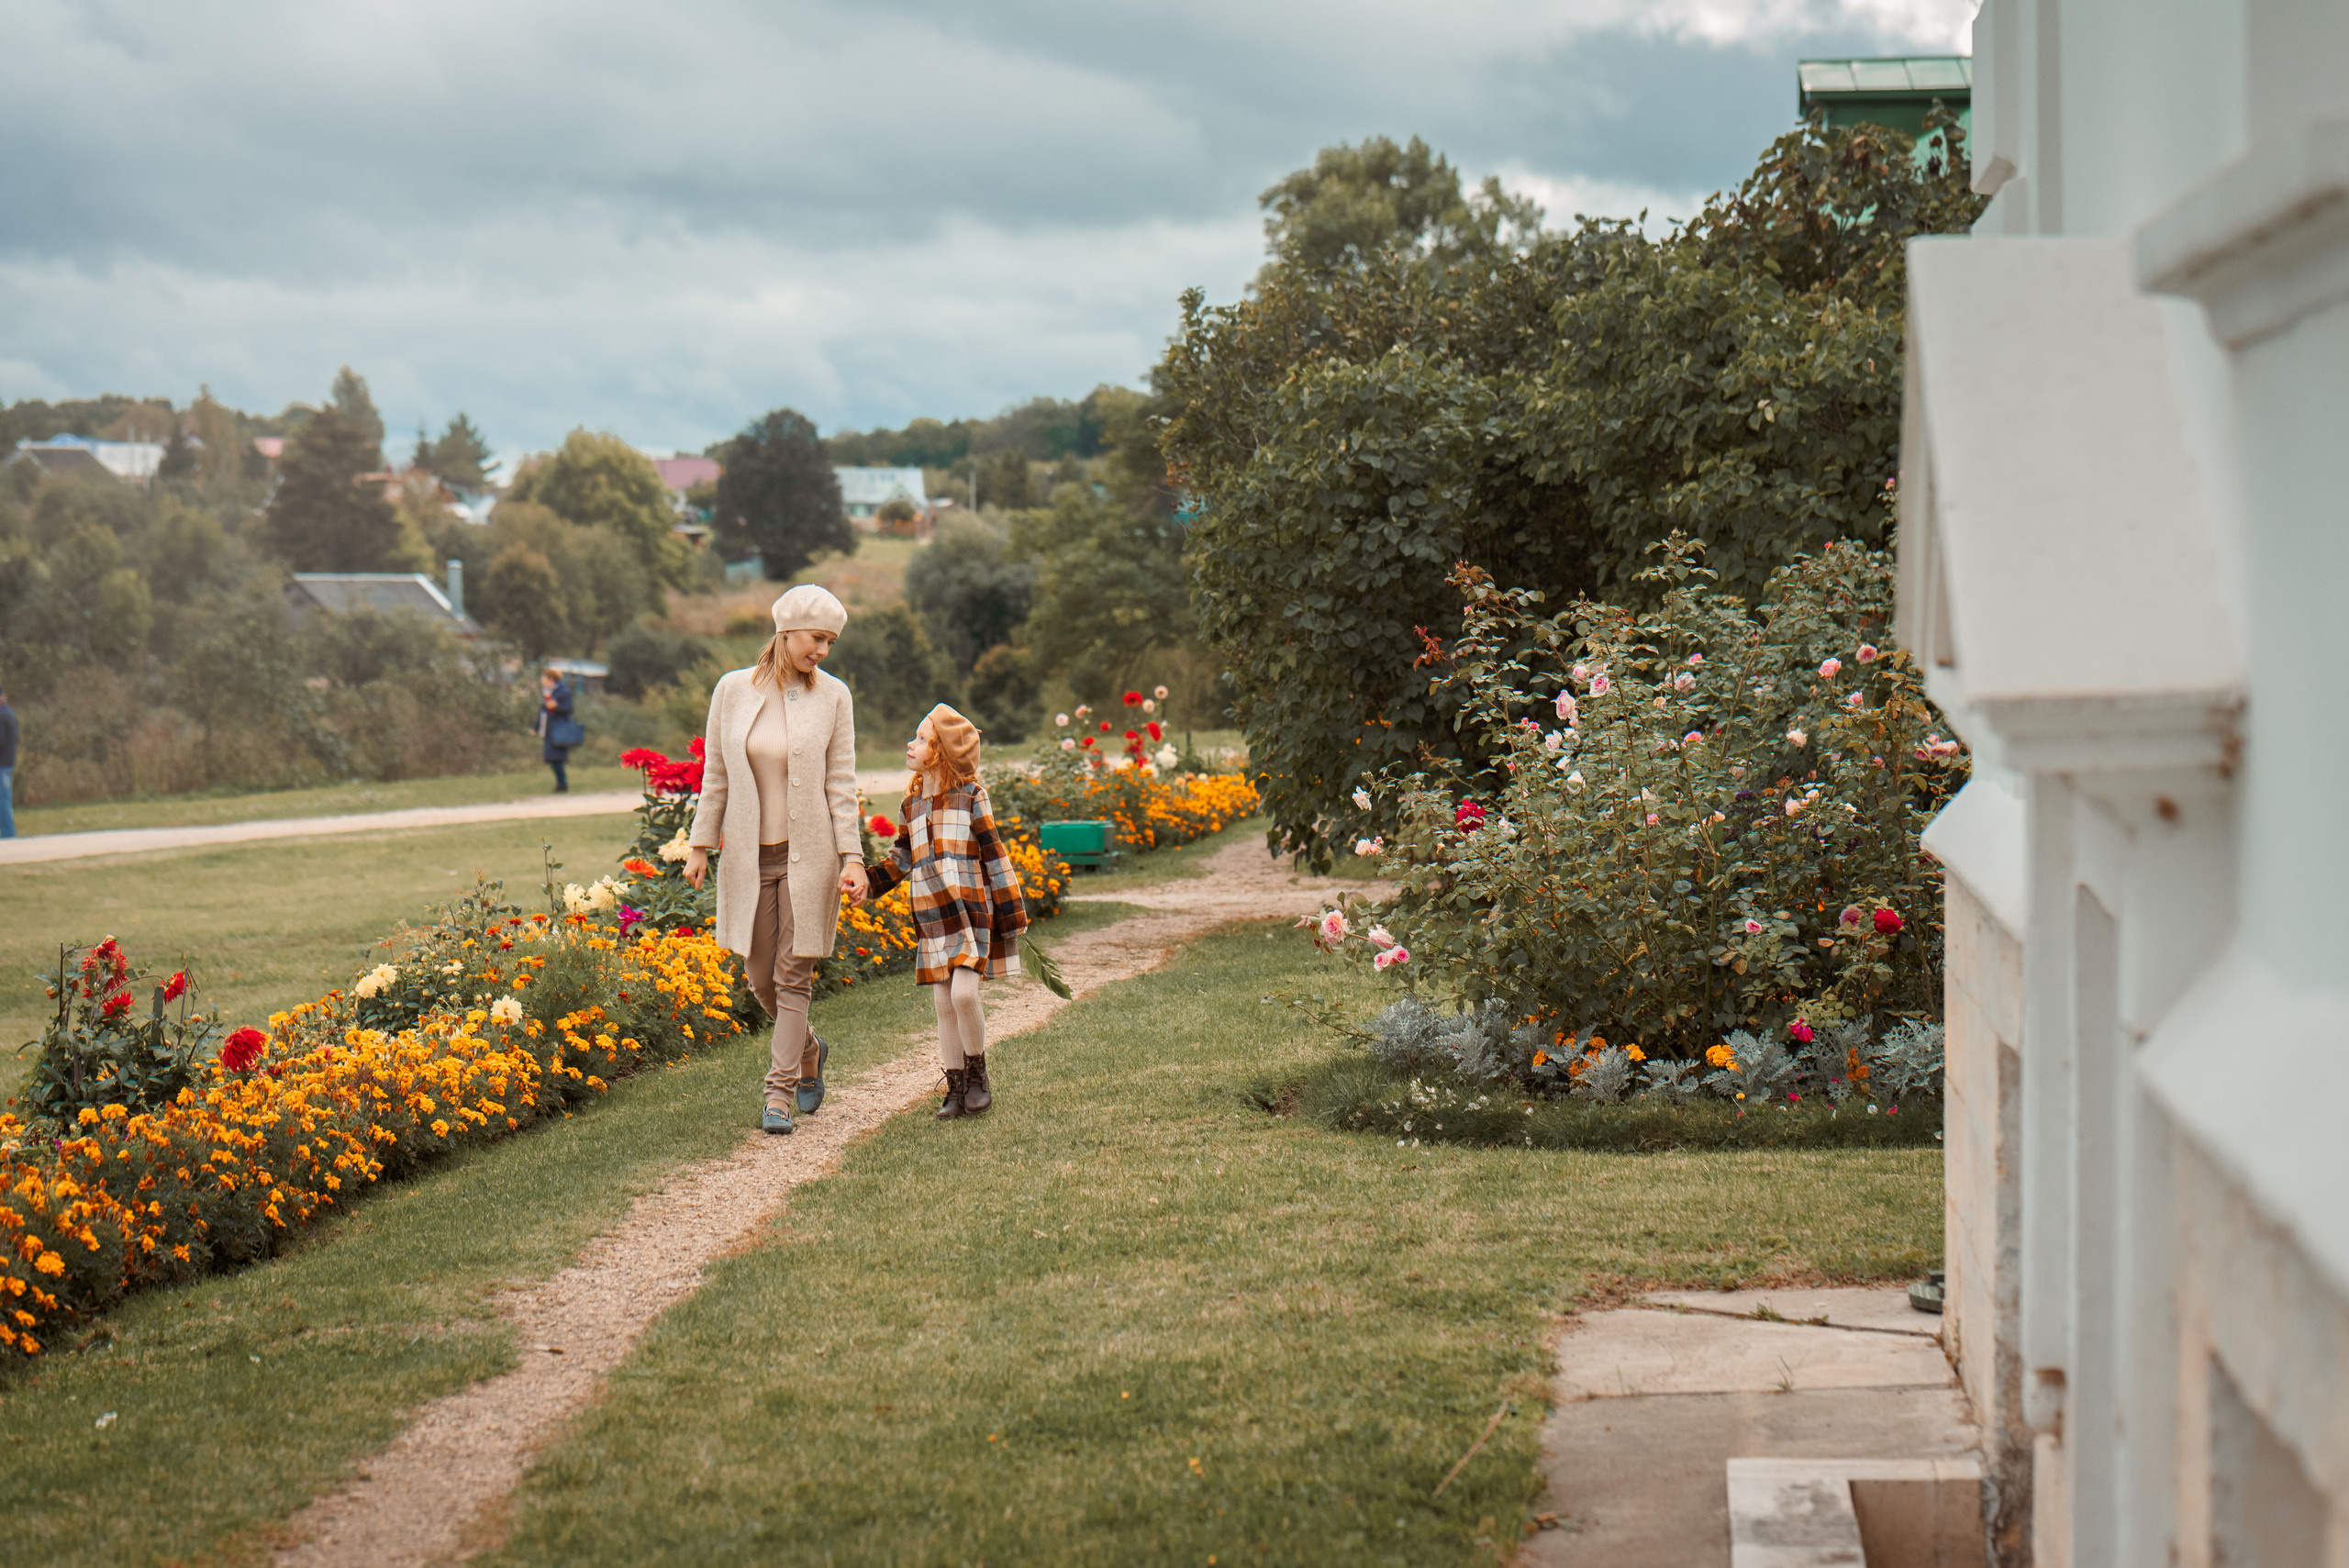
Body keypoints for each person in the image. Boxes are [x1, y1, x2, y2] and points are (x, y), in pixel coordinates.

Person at [684, 585, 866, 1134]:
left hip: (811, 859)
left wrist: (852, 858)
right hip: (748, 858)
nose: (824, 652)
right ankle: (809, 1049)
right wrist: (699, 844)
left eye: (831, 642)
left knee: (793, 976)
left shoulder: (834, 696)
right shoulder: (732, 690)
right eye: (817, 639)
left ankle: (779, 1093)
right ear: (786, 631)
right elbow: (715, 774)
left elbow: (840, 784)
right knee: (760, 978)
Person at [859, 704, 1028, 1119]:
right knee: (943, 1004)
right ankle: (954, 1089)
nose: (910, 744)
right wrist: (868, 881)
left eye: (920, 738)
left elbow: (994, 853)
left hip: (971, 912)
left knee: (964, 994)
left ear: (943, 750)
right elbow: (901, 857)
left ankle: (977, 1075)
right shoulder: (912, 802)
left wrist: (1010, 912)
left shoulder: (972, 796)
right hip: (931, 916)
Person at [537, 667, 574, 794]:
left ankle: (562, 784)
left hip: (560, 728)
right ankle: (560, 783)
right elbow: (543, 711)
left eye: (545, 679)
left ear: (551, 679)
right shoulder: (548, 693)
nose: (543, 681)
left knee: (557, 757)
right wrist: (535, 726)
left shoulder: (563, 692)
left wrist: (556, 706)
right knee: (551, 757)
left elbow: (568, 708)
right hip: (549, 728)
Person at [0, 684, 17, 839]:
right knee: (4, 799)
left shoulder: (2, 715)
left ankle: (8, 833)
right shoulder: (9, 713)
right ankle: (7, 832)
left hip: (2, 764)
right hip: (8, 763)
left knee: (2, 800)